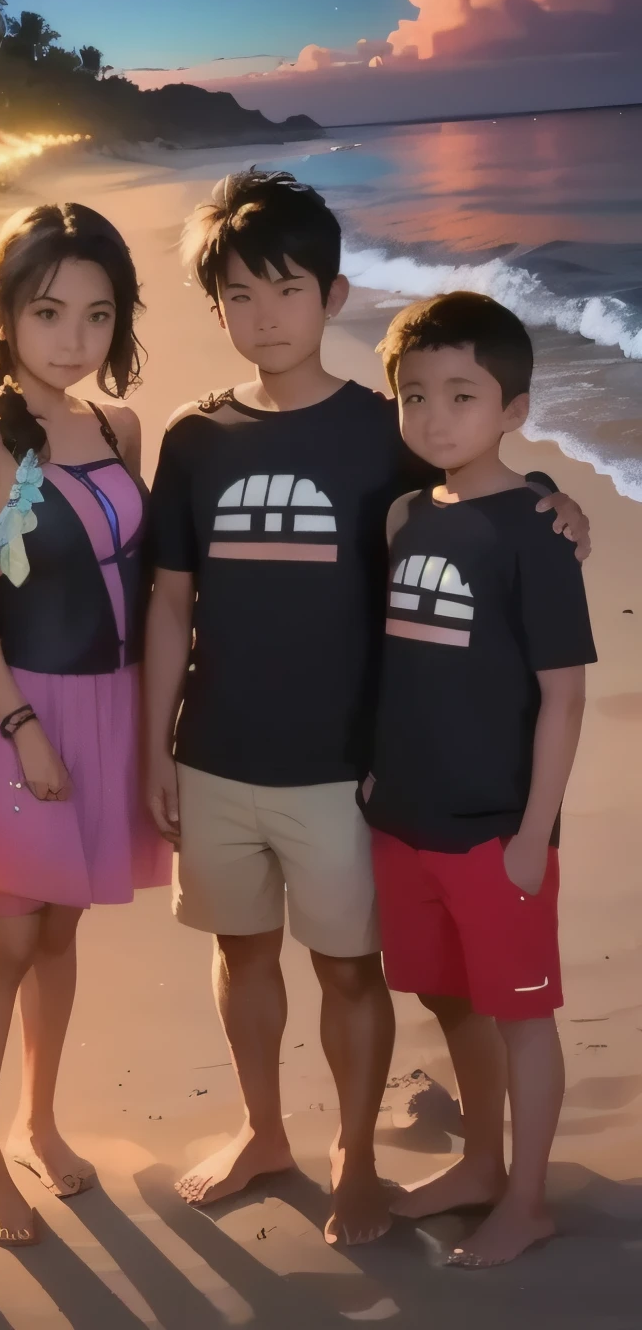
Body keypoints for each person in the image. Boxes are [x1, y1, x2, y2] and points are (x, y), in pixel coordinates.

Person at [144, 169, 590, 1245]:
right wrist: (156, 744)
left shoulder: (383, 426)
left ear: (334, 296)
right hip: (215, 753)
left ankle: (354, 1160)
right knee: (239, 950)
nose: (265, 316)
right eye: (240, 296)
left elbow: (470, 466)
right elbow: (168, 601)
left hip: (346, 768)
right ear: (215, 310)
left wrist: (552, 497)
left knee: (351, 969)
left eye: (286, 290)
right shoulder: (194, 440)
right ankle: (264, 1132)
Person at [0, 203, 171, 1245]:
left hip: (107, 702)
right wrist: (23, 725)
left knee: (62, 926)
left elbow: (148, 581)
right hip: (9, 708)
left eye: (97, 315)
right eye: (50, 312)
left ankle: (38, 1119)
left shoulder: (119, 429)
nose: (74, 338)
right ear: (7, 314)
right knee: (6, 936)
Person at [364, 292, 595, 1267]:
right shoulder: (409, 514)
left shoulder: (536, 532)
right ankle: (481, 1162)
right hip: (406, 817)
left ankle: (527, 1198)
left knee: (521, 1012)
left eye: (462, 395)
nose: (434, 417)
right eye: (414, 396)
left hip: (496, 826)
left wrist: (533, 833)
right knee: (446, 996)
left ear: (513, 408)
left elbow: (563, 697)